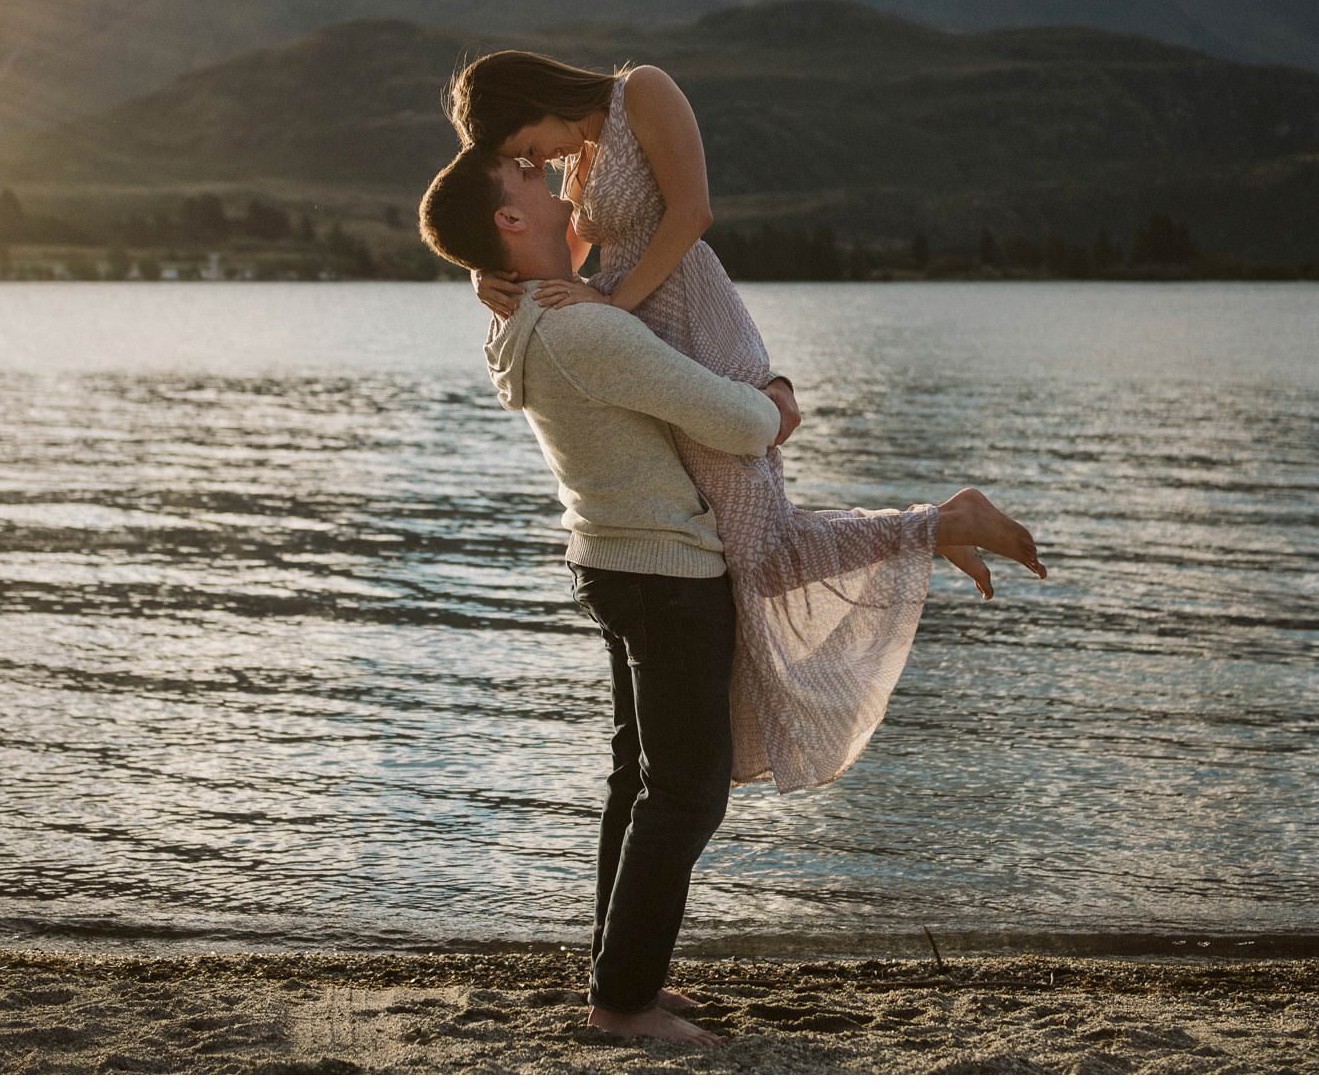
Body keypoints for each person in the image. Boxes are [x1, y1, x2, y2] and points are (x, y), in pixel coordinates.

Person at [417, 145, 1046, 1045]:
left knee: (639, 780)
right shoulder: (585, 327)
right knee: (685, 794)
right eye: (522, 174)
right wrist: (781, 393)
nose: (539, 169)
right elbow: (746, 424)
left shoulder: (517, 322)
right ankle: (622, 1003)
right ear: (511, 222)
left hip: (611, 561)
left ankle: (622, 979)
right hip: (665, 576)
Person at [448, 51, 1047, 793]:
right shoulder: (579, 163)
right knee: (744, 547)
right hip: (642, 335)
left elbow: (694, 211)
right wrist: (487, 268)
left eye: (527, 147)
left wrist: (616, 304)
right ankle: (942, 524)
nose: (538, 162)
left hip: (691, 321)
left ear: (533, 98)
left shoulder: (643, 92)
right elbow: (560, 253)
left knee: (765, 548)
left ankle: (945, 522)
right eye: (522, 162)